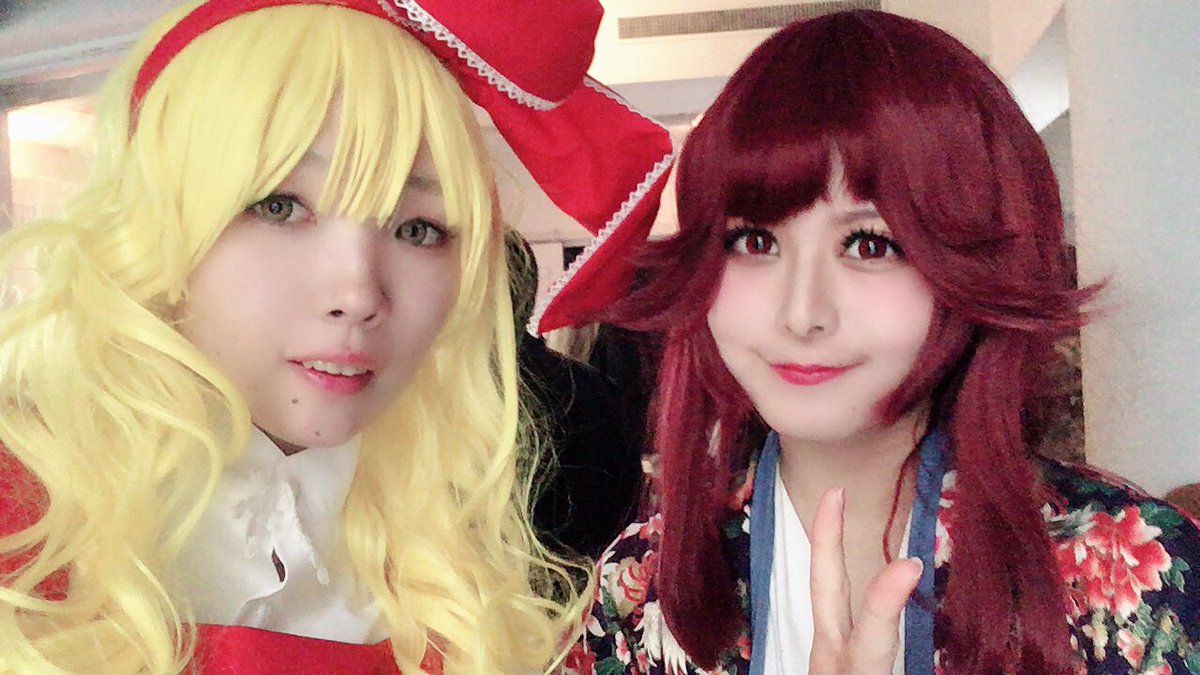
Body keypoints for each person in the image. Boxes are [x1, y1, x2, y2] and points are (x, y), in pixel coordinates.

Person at [0, 1, 673, 673]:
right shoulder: (23, 522)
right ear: (157, 226)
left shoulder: (462, 557)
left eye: (418, 229)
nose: (358, 295)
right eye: (280, 206)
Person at [566, 9, 1200, 675]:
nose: (801, 313)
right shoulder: (639, 585)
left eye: (869, 245)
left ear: (977, 265)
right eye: (753, 241)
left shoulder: (1137, 576)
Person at [506, 233, 642, 559]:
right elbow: (629, 499)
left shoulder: (455, 399)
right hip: (592, 575)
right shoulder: (596, 387)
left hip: (508, 580)